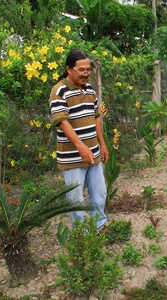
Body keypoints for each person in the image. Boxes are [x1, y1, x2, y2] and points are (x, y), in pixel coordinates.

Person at [49, 49, 108, 231]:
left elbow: (97, 116)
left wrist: (102, 144)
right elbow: (62, 122)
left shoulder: (90, 89)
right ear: (69, 69)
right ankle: (81, 234)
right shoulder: (59, 91)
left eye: (88, 69)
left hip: (94, 153)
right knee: (76, 199)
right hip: (73, 156)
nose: (86, 73)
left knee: (99, 193)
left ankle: (99, 226)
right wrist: (81, 147)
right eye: (81, 69)